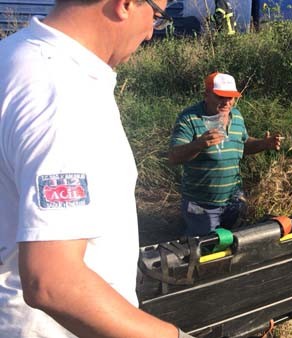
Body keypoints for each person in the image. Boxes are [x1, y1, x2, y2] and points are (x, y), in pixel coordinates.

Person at [0, 0, 193, 337]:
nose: (150, 34)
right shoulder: (62, 91)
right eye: (157, 16)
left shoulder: (13, 57)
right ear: (127, 4)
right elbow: (52, 280)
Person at [169, 72, 282, 237]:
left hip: (233, 199)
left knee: (233, 243)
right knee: (204, 248)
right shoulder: (190, 118)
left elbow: (242, 144)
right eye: (221, 96)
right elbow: (173, 156)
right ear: (206, 95)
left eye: (231, 97)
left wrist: (263, 144)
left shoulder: (236, 115)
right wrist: (199, 144)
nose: (227, 102)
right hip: (202, 204)